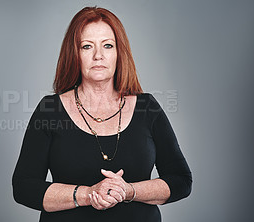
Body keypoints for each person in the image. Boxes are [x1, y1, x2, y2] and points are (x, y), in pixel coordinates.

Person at [12, 6, 192, 222]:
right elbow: (24, 187)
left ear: (119, 52)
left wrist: (128, 191)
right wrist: (88, 195)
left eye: (108, 45)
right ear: (75, 54)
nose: (98, 56)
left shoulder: (148, 108)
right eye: (87, 46)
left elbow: (181, 180)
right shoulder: (49, 110)